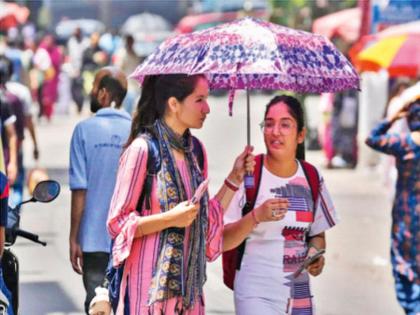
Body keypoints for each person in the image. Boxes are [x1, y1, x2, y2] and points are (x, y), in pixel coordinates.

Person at [105, 74, 253, 314]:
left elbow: (205, 221)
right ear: (173, 104)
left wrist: (234, 179)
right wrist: (169, 219)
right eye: (199, 100)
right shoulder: (142, 150)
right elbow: (117, 223)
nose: (207, 108)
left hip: (189, 294)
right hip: (146, 293)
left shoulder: (196, 151)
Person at [223, 95, 339, 315]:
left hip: (299, 296)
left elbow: (317, 235)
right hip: (254, 293)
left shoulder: (311, 177)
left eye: (285, 124)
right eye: (269, 124)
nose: (275, 131)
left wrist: (315, 255)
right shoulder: (248, 172)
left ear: (301, 135)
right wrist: (256, 216)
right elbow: (221, 240)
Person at [69, 66, 131, 314]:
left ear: (104, 93)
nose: (92, 92)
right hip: (130, 238)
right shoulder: (139, 130)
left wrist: (74, 237)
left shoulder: (83, 130)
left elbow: (79, 191)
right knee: (128, 305)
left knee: (97, 306)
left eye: (94, 87)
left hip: (94, 239)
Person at [365, 99, 419, 315]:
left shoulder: (404, 143)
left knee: (404, 264)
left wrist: (391, 118)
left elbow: (372, 138)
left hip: (406, 216)